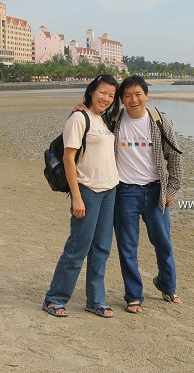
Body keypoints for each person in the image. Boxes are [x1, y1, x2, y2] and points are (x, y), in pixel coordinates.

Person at [43, 75, 120, 318]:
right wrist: (76, 197)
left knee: (101, 248)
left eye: (111, 95)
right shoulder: (79, 118)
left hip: (110, 190)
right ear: (91, 92)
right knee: (78, 247)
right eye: (103, 92)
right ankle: (55, 298)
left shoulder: (103, 120)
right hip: (88, 190)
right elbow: (68, 158)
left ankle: (96, 301)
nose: (106, 98)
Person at [112, 75, 183, 314]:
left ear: (146, 95)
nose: (133, 100)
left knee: (163, 243)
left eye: (138, 94)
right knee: (127, 247)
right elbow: (88, 117)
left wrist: (170, 189)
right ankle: (134, 296)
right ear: (121, 99)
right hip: (124, 193)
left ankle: (167, 286)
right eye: (128, 96)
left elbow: (174, 157)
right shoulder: (113, 120)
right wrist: (78, 107)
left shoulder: (159, 121)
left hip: (155, 192)